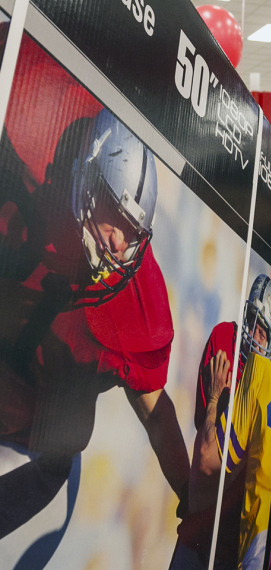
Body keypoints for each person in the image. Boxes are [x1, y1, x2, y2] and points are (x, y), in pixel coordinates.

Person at [0, 105, 189, 540]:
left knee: (57, 452)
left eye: (132, 230)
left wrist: (192, 495)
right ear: (83, 178)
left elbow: (156, 415)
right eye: (115, 215)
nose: (121, 243)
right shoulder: (27, 182)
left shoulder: (136, 299)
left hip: (40, 427)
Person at [172, 274, 271, 569]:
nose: (255, 336)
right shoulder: (225, 338)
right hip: (201, 524)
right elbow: (205, 436)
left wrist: (218, 400)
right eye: (252, 323)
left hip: (235, 528)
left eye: (263, 331)